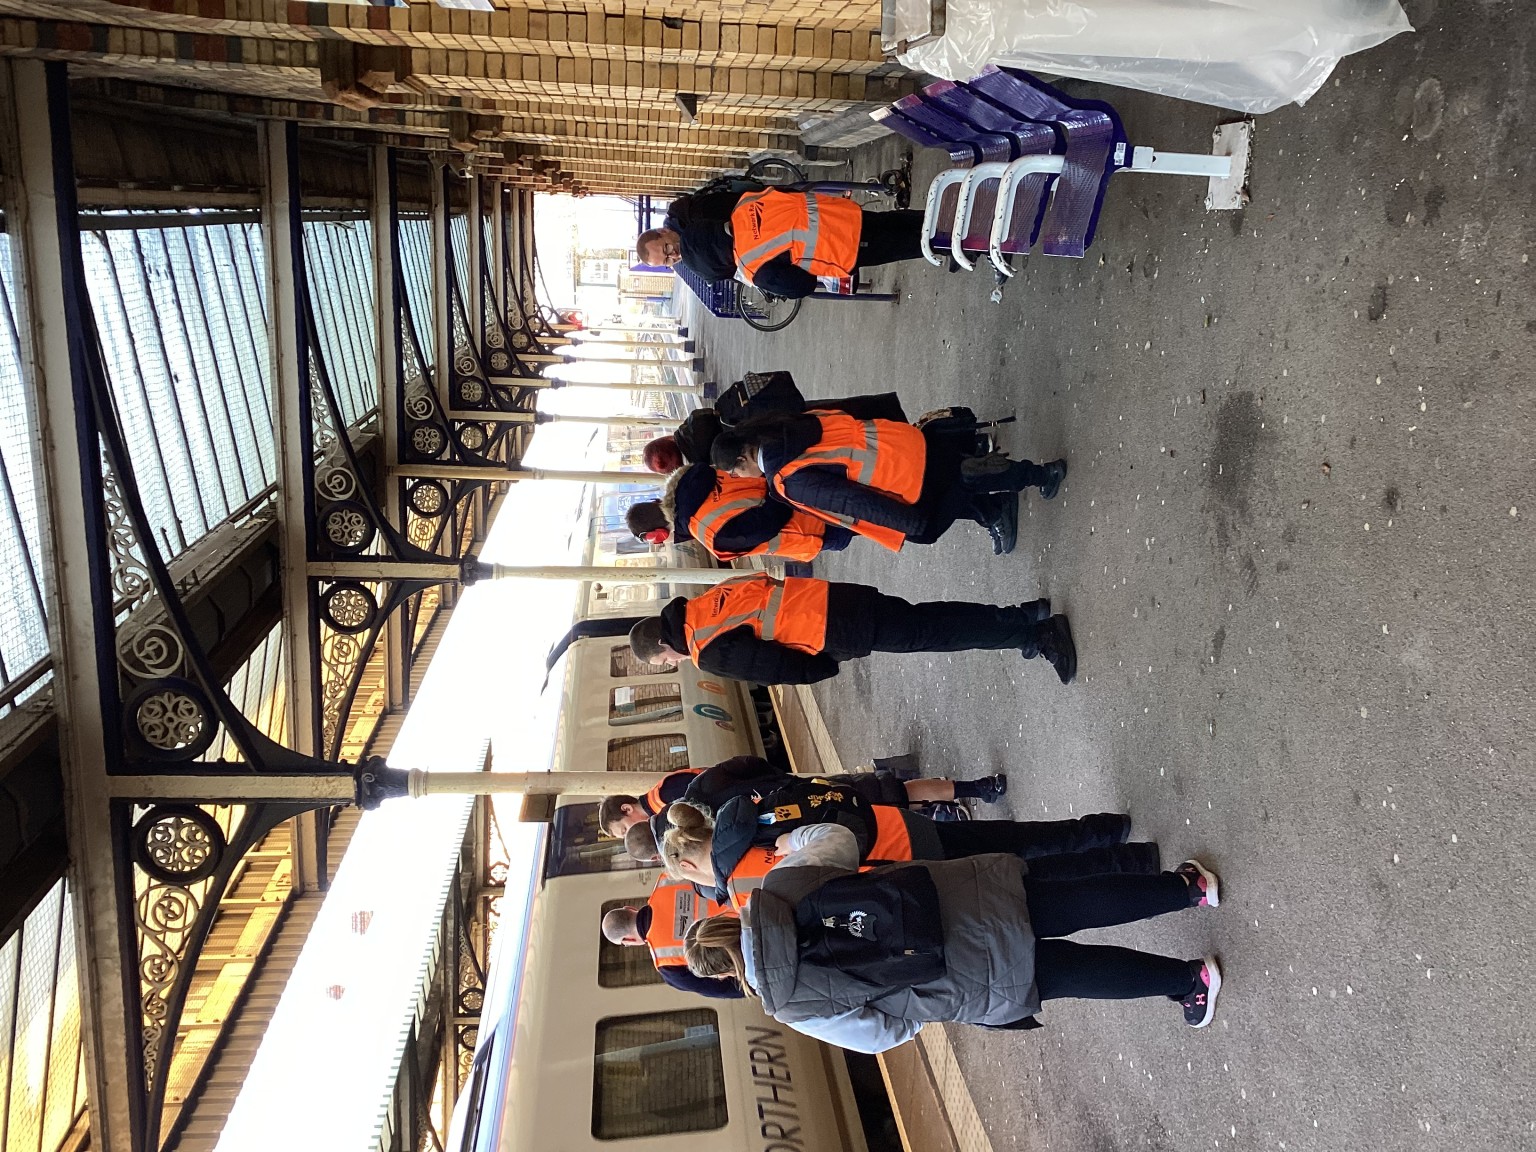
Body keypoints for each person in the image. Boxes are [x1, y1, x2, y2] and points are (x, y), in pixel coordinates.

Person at [683, 822, 1223, 1052]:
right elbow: (840, 839)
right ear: (724, 919)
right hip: (958, 896)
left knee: (1079, 975)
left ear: (727, 973)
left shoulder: (791, 1006)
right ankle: (1189, 889)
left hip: (955, 979)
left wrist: (923, 1002)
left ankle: (1190, 980)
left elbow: (879, 1036)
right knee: (1076, 902)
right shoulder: (780, 886)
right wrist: (792, 840)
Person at [658, 787, 1149, 912]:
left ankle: (1133, 864)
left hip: (906, 867)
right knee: (1017, 839)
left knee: (1027, 880)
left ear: (689, 863)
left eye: (692, 879)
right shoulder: (744, 812)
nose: (703, 887)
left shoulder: (743, 885)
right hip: (896, 826)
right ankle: (1109, 829)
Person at [711, 408, 1066, 556]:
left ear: (742, 460)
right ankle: (1042, 473)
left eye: (737, 473)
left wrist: (905, 524)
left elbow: (850, 502)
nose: (741, 479)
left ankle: (970, 480)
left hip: (897, 480)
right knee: (953, 472)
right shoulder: (788, 425)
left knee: (928, 527)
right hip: (903, 441)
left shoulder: (785, 480)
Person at [628, 572, 1078, 686]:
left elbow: (778, 668)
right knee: (925, 618)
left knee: (934, 631)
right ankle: (1022, 617)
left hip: (832, 629)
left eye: (665, 660)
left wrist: (824, 668)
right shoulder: (705, 601)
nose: (673, 663)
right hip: (834, 598)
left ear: (664, 645)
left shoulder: (706, 650)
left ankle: (1036, 634)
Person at [642, 753, 1013, 854]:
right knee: (892, 792)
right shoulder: (704, 784)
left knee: (893, 820)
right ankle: (980, 788)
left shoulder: (722, 842)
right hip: (810, 792)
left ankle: (954, 816)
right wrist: (782, 781)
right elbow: (748, 763)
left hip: (819, 828)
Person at [636, 186, 928, 299]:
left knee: (911, 243)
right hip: (840, 214)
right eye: (668, 261)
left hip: (842, 247)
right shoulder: (743, 206)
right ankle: (945, 215)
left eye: (667, 250)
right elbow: (781, 194)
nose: (673, 255)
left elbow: (801, 286)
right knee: (900, 221)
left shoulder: (752, 267)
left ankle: (951, 241)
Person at [625, 464, 853, 561]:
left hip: (815, 523)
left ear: (659, 534)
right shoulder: (696, 474)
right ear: (655, 501)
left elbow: (771, 521)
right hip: (803, 475)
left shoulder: (711, 533)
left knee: (871, 516)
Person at [601, 877, 743, 999]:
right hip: (750, 896)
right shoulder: (666, 880)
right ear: (630, 908)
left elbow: (724, 989)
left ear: (628, 941)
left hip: (750, 945)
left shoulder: (667, 965)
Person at [597, 767, 702, 838]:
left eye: (625, 830)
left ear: (627, 809)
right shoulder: (657, 818)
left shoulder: (665, 794)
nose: (631, 836)